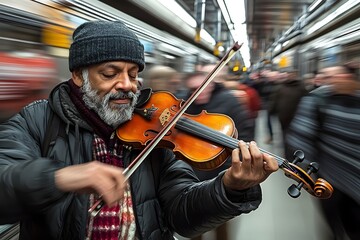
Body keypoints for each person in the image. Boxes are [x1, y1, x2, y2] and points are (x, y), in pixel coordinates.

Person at [0, 20, 278, 240]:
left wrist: (230, 188)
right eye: (110, 74)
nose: (127, 84)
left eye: (133, 74)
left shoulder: (155, 132)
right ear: (77, 75)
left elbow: (182, 217)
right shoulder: (37, 119)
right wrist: (59, 178)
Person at [286, 63, 360, 240]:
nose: (333, 81)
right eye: (329, 77)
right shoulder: (317, 99)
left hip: (356, 176)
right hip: (329, 177)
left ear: (350, 77)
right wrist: (305, 168)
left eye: (338, 76)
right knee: (333, 223)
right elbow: (301, 136)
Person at [183, 66, 255, 240]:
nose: (197, 93)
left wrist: (231, 167)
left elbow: (244, 136)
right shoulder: (184, 103)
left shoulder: (229, 101)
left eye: (201, 88)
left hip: (220, 173)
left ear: (210, 85)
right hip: (192, 174)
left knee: (220, 221)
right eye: (193, 89)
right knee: (194, 224)